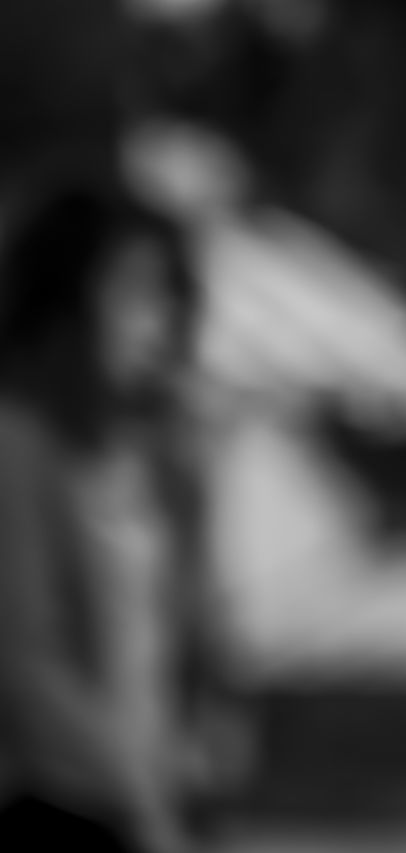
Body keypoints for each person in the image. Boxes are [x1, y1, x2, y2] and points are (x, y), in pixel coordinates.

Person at [0, 168, 241, 853]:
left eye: (167, 293)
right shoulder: (17, 445)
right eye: (132, 292)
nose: (155, 321)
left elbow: (194, 634)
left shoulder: (166, 459)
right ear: (66, 303)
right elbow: (26, 668)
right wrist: (142, 806)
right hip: (54, 802)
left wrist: (204, 749)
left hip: (148, 804)